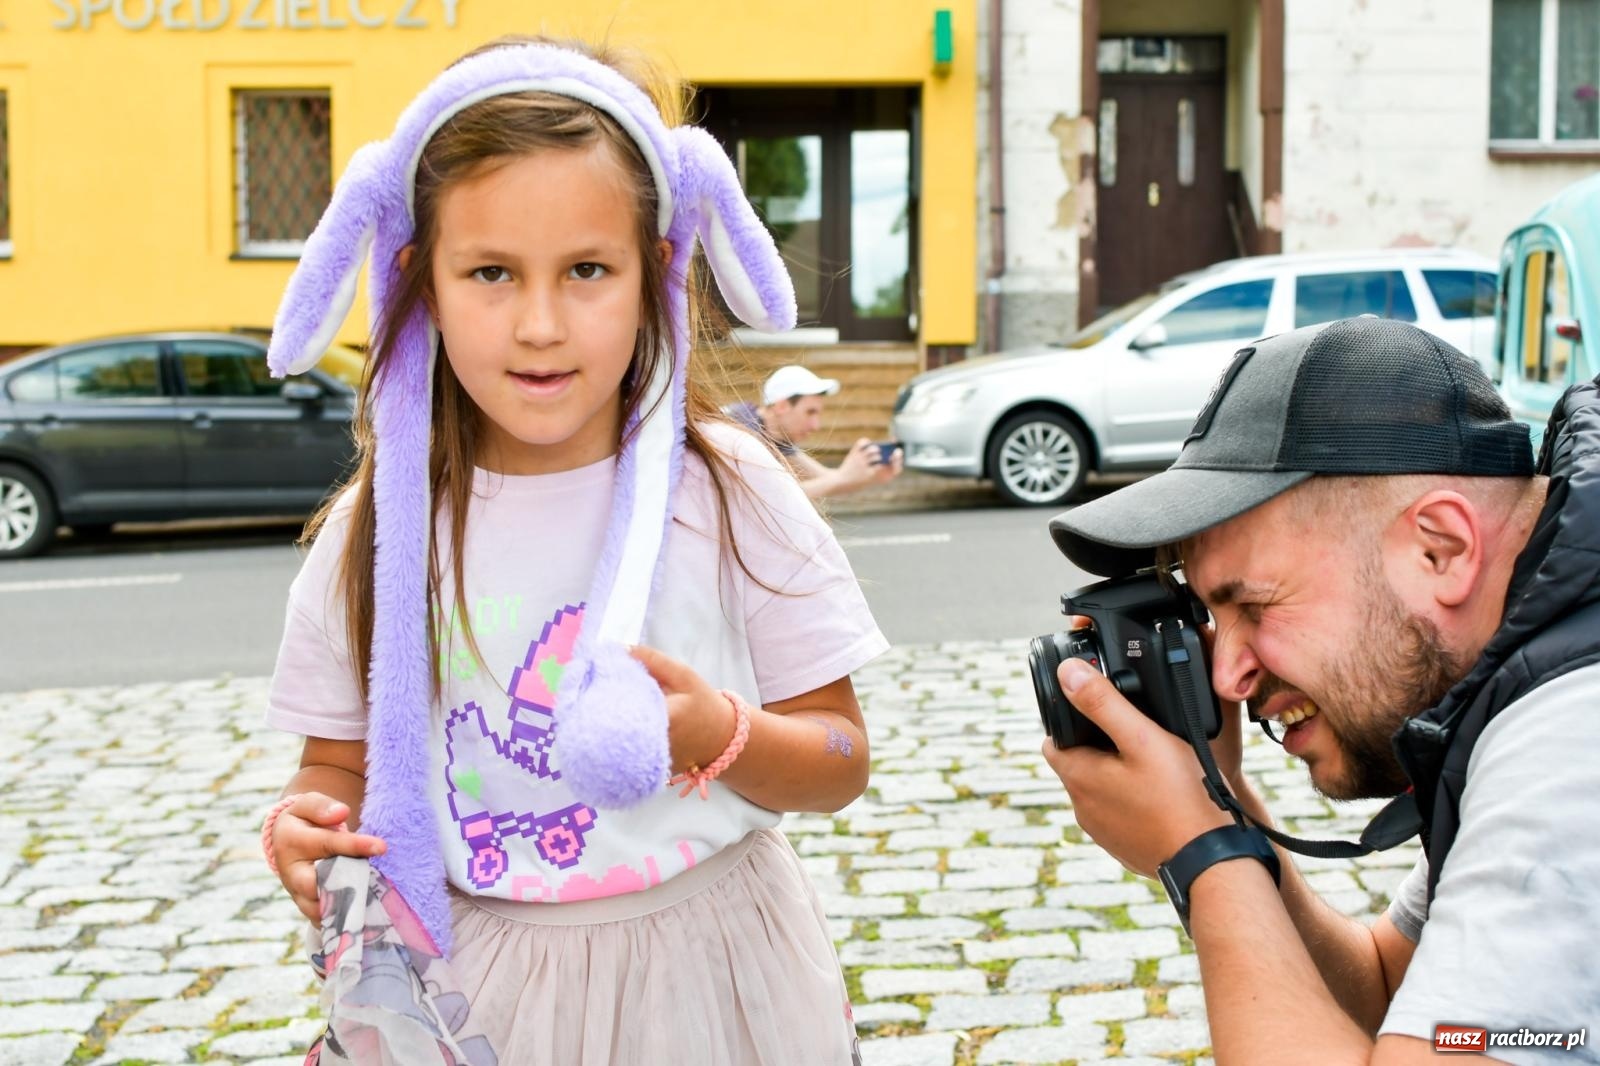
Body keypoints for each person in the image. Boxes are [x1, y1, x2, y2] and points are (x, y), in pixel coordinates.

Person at [257, 37, 886, 1065]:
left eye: (587, 269)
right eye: (491, 272)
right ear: (419, 279)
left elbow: (841, 759)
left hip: (721, 975)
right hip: (483, 987)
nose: (540, 324)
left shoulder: (731, 490)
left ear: (656, 274)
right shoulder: (378, 532)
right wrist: (307, 822)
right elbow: (336, 764)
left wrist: (715, 733)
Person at [1041, 317, 1600, 1064]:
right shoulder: (1530, 665)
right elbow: (1386, 992)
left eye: (1255, 606)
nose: (1224, 674)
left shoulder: (1571, 743)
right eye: (1211, 615)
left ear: (1441, 549)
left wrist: (1200, 855)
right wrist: (1222, 799)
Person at [725, 364, 904, 499]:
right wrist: (843, 476)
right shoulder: (739, 429)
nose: (815, 425)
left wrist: (873, 475)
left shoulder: (777, 437)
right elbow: (774, 498)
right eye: (810, 412)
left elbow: (827, 478)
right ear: (781, 406)